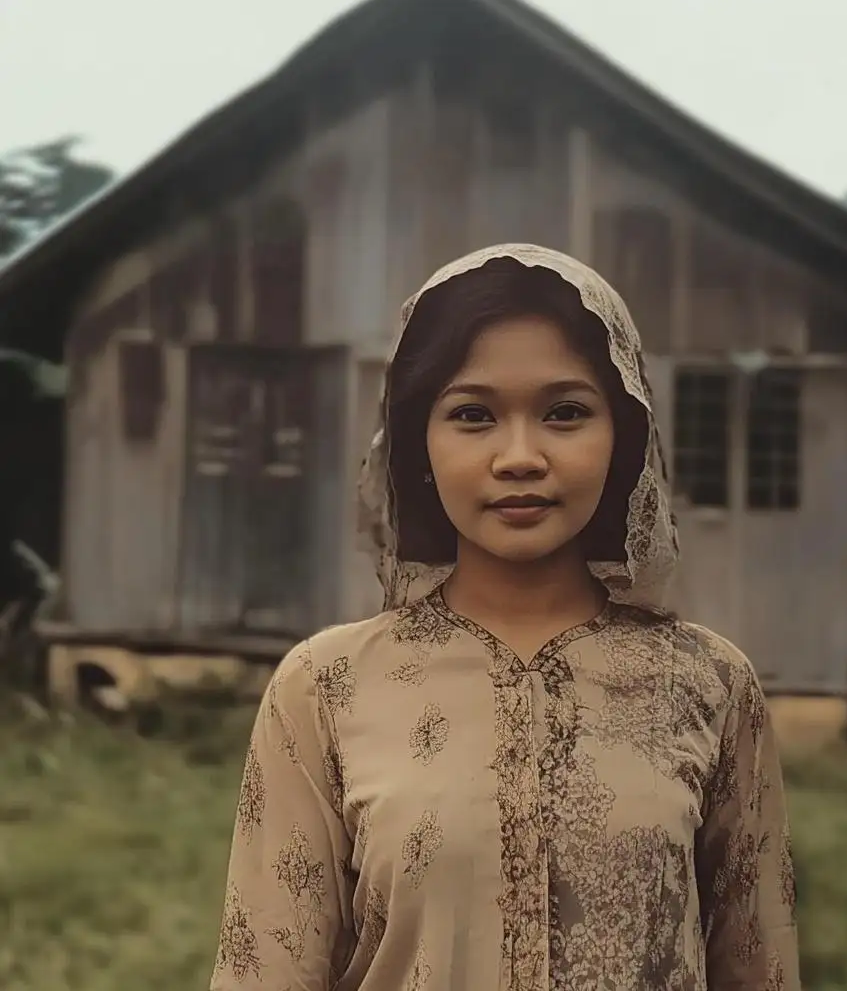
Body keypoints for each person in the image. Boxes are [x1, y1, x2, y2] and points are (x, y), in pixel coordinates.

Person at [211, 245, 799, 990]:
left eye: (564, 413)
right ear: (417, 445)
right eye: (473, 415)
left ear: (623, 438)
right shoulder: (327, 688)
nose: (519, 456)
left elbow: (760, 964)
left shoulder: (708, 683)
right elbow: (263, 971)